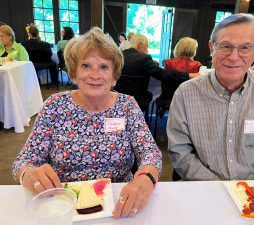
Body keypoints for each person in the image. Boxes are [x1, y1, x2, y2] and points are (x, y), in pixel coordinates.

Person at [12, 27, 162, 219]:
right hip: (63, 204)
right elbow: (23, 162)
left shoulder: (127, 105)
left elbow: (150, 152)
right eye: (86, 66)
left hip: (119, 203)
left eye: (104, 67)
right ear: (74, 72)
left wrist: (146, 177)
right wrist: (28, 174)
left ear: (114, 76)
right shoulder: (55, 105)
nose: (95, 74)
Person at [167, 13, 254, 181]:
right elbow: (180, 152)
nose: (234, 57)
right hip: (205, 189)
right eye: (226, 46)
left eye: (245, 48)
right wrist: (222, 189)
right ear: (212, 47)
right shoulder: (185, 94)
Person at [122, 34, 197, 93]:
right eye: (146, 47)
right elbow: (162, 74)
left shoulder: (120, 55)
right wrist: (188, 75)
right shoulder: (144, 58)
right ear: (140, 44)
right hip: (139, 99)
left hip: (118, 96)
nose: (147, 51)